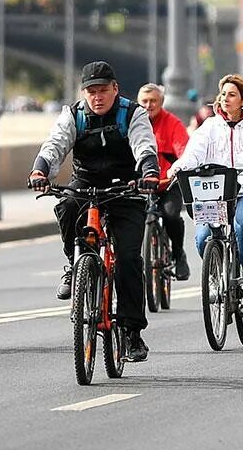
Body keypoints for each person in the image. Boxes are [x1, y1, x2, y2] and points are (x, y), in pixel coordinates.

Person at [29, 61, 159, 363]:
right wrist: (40, 170)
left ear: (115, 89)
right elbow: (55, 145)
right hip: (86, 183)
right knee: (65, 207)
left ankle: (131, 332)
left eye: (103, 90)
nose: (97, 97)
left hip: (126, 188)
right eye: (91, 91)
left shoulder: (133, 113)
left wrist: (149, 171)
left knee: (128, 258)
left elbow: (143, 145)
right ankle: (74, 264)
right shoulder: (73, 115)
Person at [168, 74, 243, 309]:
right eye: (223, 94)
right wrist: (178, 167)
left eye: (232, 95)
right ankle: (216, 275)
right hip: (214, 193)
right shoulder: (210, 126)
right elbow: (193, 152)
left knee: (241, 226)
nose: (226, 98)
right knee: (203, 237)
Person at [139, 82, 191, 280]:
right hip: (142, 185)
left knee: (171, 215)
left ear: (161, 102)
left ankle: (179, 256)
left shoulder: (173, 123)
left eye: (153, 101)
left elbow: (183, 151)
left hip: (167, 183)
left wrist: (177, 169)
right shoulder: (133, 123)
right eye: (144, 101)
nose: (148, 105)